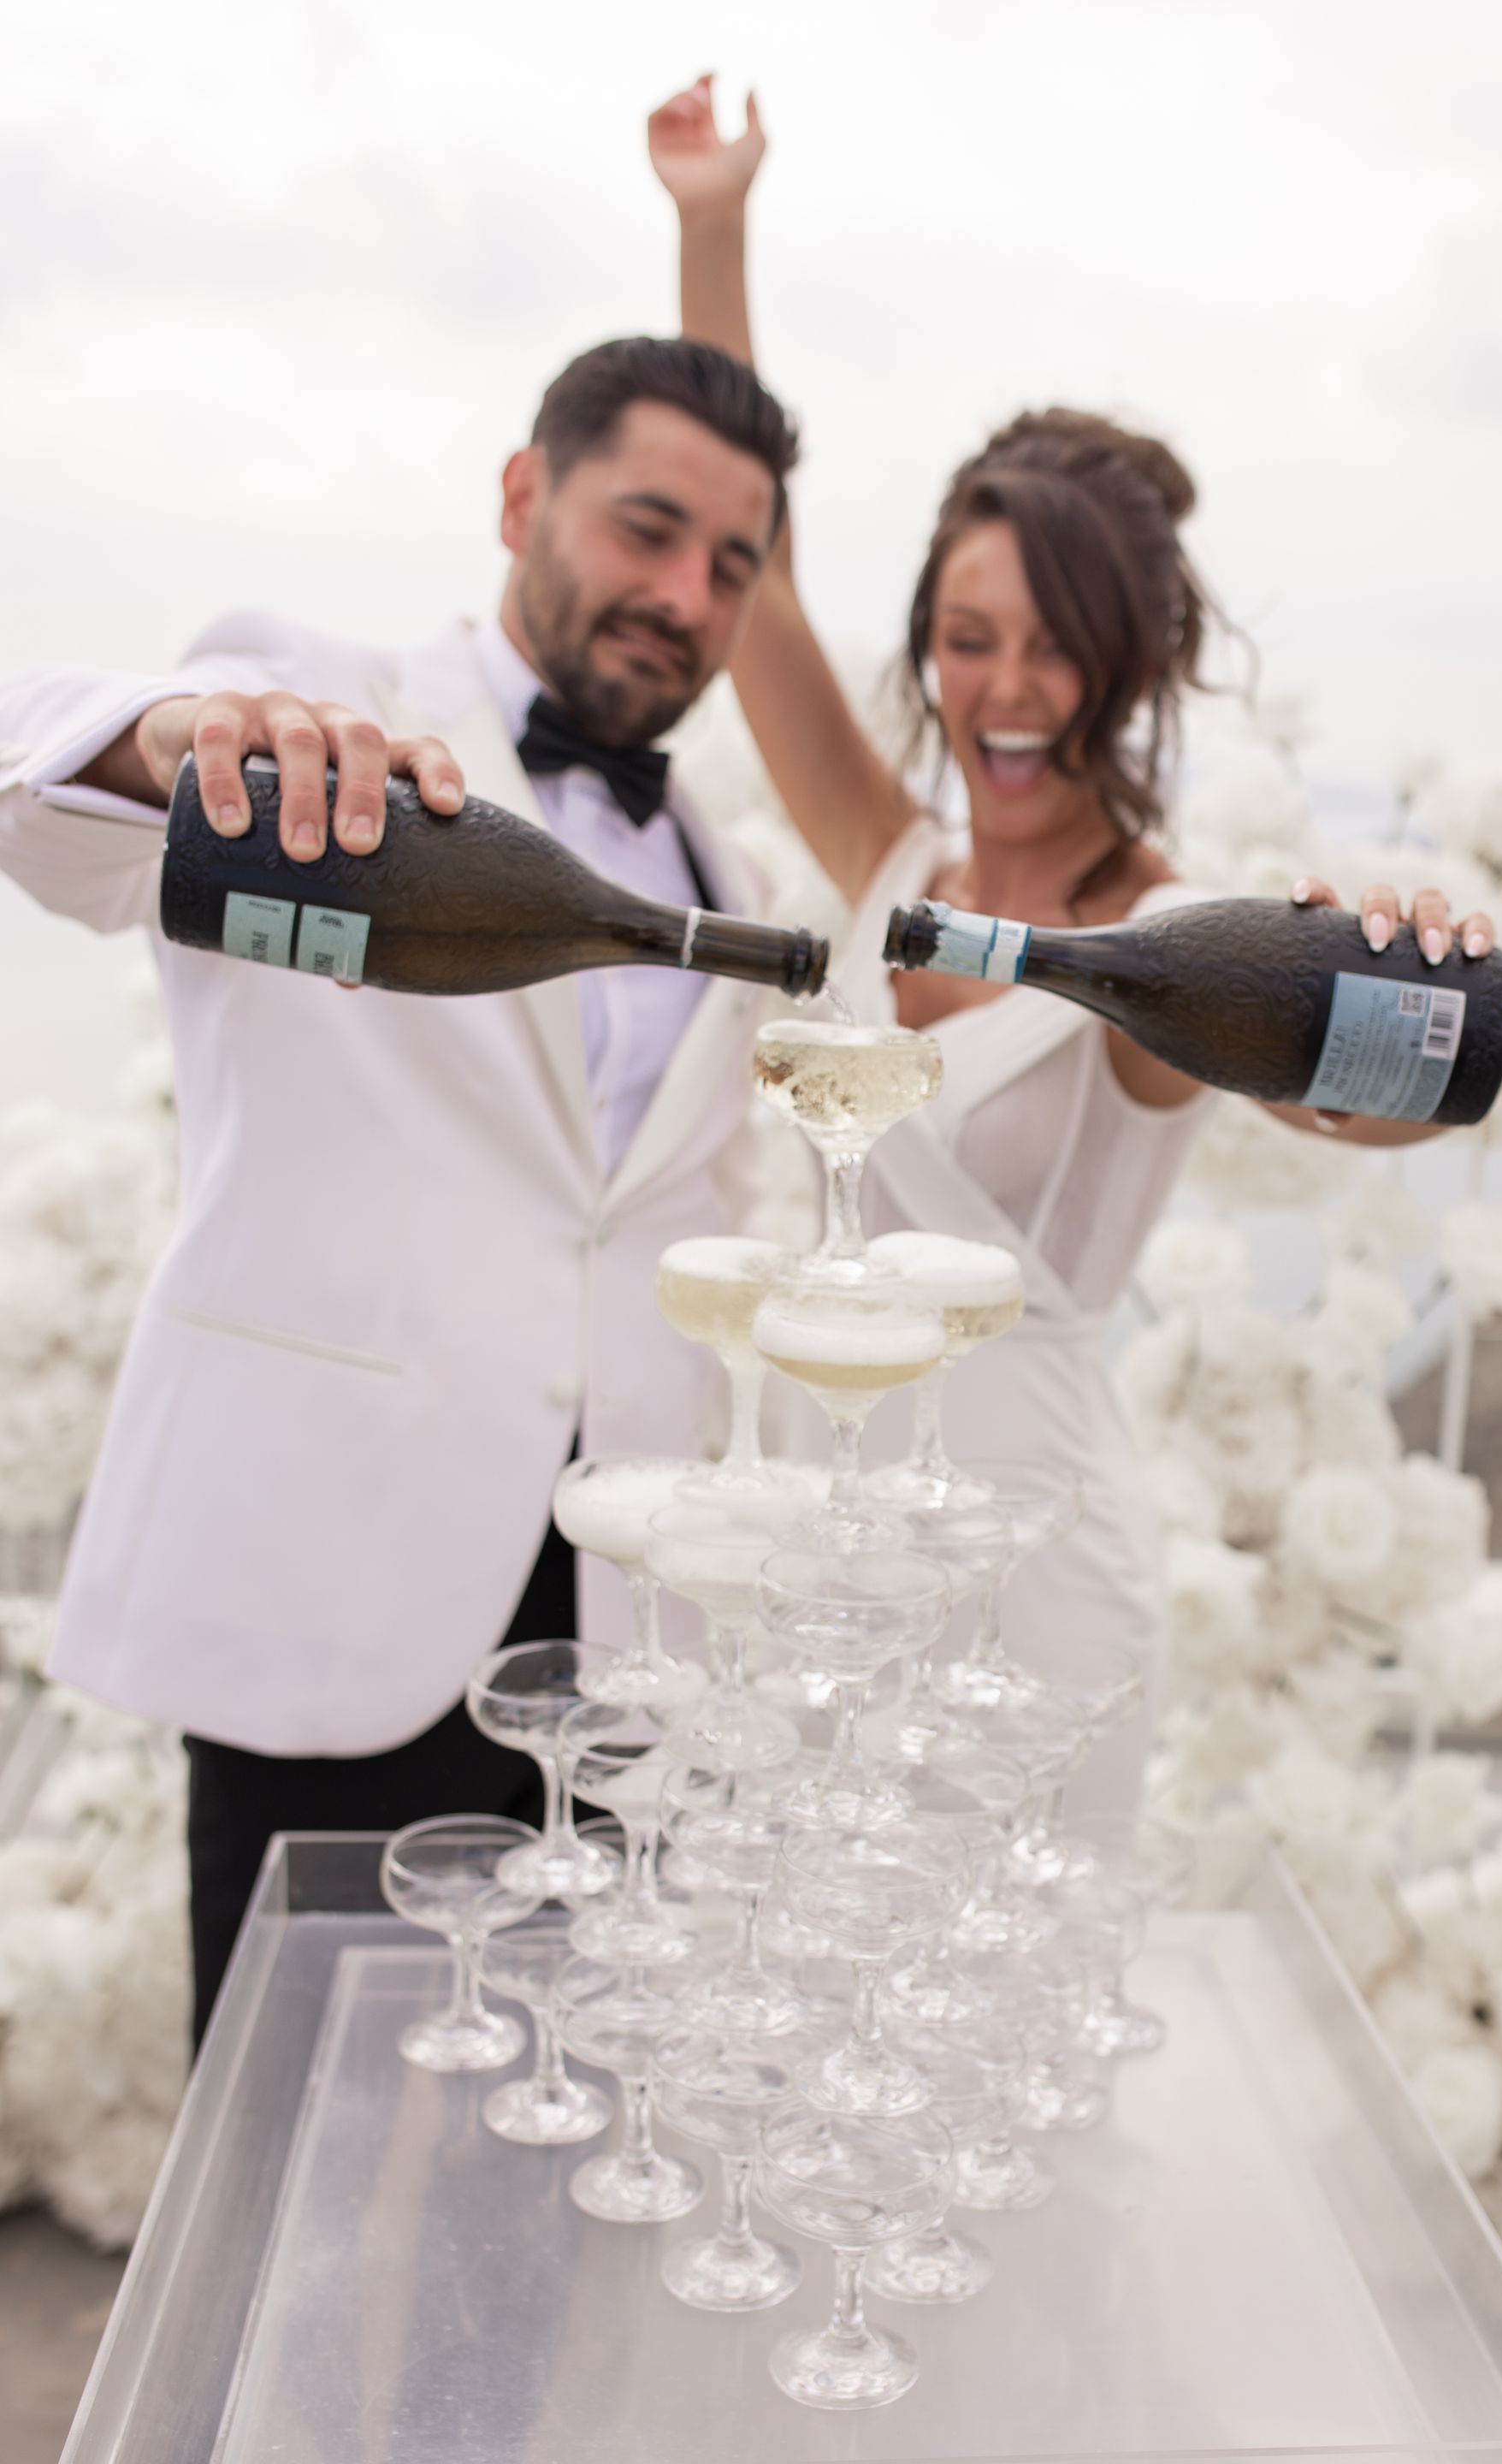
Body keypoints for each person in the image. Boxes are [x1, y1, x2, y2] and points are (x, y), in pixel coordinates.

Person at [648, 79, 1499, 1801]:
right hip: (822, 1542)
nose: (1008, 690)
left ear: (1129, 665)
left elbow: (1344, 1107)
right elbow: (762, 588)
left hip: (1032, 1575)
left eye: (1054, 647)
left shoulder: (1169, 944)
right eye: (969, 640)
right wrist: (712, 224)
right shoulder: (889, 860)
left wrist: (1422, 1011)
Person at [0, 335, 801, 2040]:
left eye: (731, 565)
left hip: (620, 1635)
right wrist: (179, 739)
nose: (684, 595)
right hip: (333, 1571)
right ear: (523, 497)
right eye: (648, 528)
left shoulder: (725, 867)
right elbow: (39, 800)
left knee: (576, 2124)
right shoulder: (322, 707)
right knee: (301, 2121)